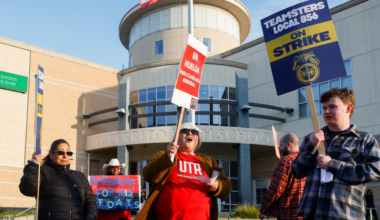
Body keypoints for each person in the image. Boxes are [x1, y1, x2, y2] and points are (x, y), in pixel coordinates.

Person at [291, 88, 380, 219]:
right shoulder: (311, 138)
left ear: (348, 108)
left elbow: (375, 171)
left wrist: (333, 164)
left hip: (345, 215)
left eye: (332, 107)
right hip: (312, 215)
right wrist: (311, 146)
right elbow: (296, 171)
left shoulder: (364, 140)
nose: (326, 111)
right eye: (324, 107)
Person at [135, 122, 232, 220]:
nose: (190, 133)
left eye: (194, 132)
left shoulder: (209, 161)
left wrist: (217, 186)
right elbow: (148, 175)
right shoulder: (164, 155)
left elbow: (227, 188)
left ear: (198, 139)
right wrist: (167, 156)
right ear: (176, 136)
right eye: (185, 131)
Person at [19, 139, 97, 220]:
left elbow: (90, 202)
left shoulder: (80, 176)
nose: (65, 156)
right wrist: (33, 165)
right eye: (60, 152)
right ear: (51, 154)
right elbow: (27, 190)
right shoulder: (42, 172)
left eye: (68, 153)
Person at [259, 134, 306, 220]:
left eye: (281, 145)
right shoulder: (307, 161)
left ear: (289, 144)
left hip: (288, 214)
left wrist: (263, 210)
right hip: (305, 214)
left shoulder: (286, 161)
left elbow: (275, 189)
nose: (280, 149)